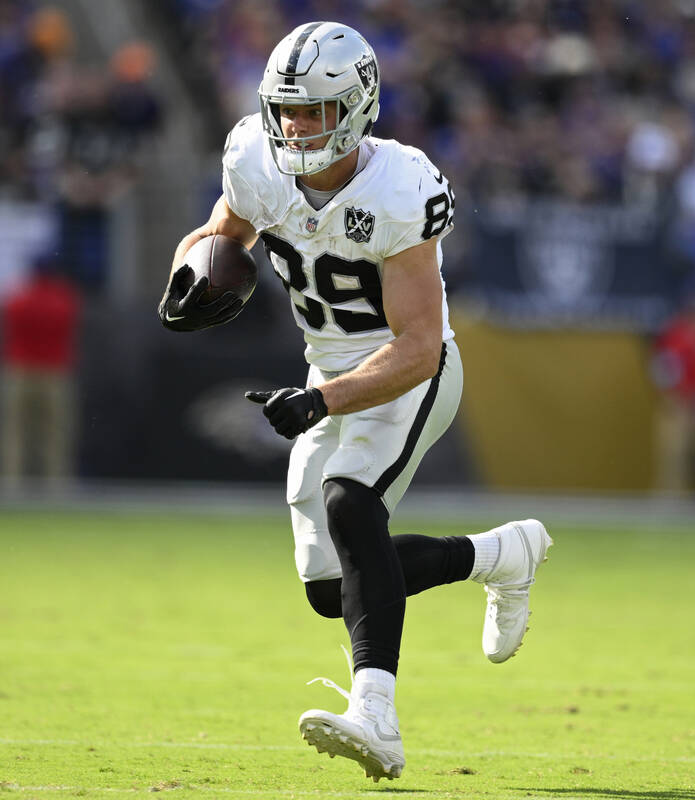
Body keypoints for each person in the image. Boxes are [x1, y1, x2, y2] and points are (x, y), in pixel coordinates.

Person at [157, 22, 552, 783]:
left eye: (316, 111)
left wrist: (320, 401)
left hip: (410, 369)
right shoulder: (253, 158)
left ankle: (377, 715)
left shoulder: (398, 187)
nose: (298, 127)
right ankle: (501, 554)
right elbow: (220, 232)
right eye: (288, 109)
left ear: (358, 106)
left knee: (349, 501)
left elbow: (417, 346)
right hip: (328, 366)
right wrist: (186, 276)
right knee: (330, 590)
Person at [0, 254, 82, 489]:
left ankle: (9, 489)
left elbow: (5, 315)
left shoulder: (18, 299)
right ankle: (55, 489)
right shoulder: (63, 300)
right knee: (54, 438)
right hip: (54, 374)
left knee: (14, 435)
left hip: (19, 372)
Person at [652, 293, 695, 492]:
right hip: (681, 404)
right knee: (674, 444)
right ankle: (671, 496)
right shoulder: (675, 335)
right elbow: (664, 371)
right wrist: (675, 398)